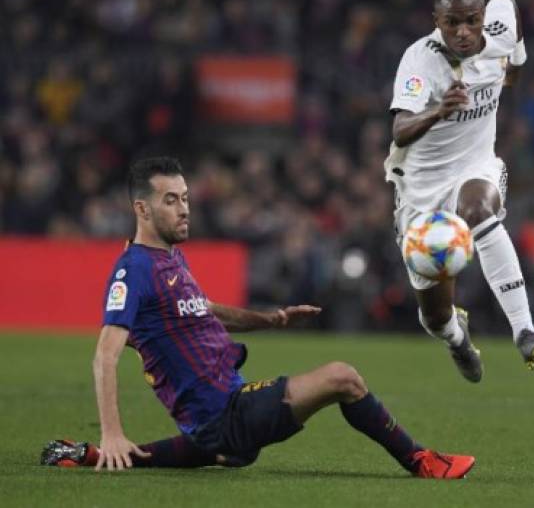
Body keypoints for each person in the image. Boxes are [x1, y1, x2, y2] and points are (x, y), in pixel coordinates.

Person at [41, 157, 474, 479]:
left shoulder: (169, 259)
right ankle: (420, 460)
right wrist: (113, 432)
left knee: (199, 449)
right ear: (142, 209)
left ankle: (92, 457)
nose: (184, 209)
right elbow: (105, 354)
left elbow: (204, 312)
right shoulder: (134, 268)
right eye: (170, 201)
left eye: (186, 199)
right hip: (224, 416)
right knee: (343, 378)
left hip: (219, 420)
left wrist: (271, 320)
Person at [385, 0, 534, 382]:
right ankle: (455, 337)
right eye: (451, 23)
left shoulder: (500, 31)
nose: (462, 32)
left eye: (471, 21)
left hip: (476, 167)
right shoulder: (419, 60)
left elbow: (507, 7)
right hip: (421, 190)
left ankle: (525, 332)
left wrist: (512, 66)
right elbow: (400, 130)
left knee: (479, 208)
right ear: (437, 21)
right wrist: (438, 112)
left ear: (482, 17)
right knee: (435, 314)